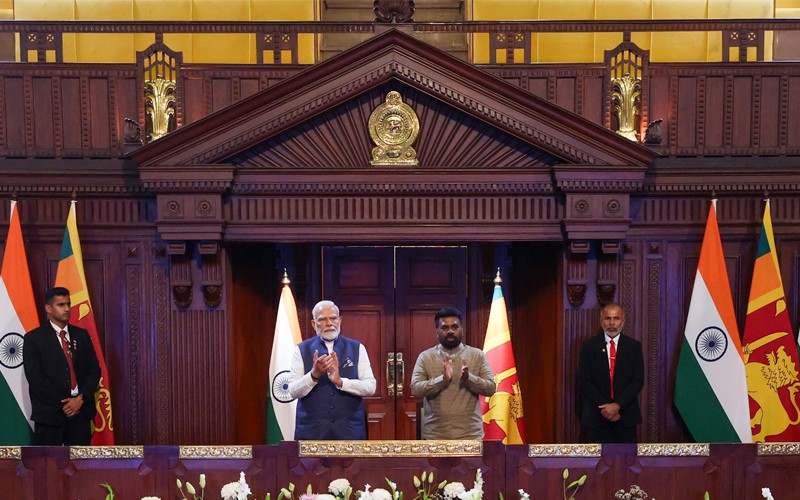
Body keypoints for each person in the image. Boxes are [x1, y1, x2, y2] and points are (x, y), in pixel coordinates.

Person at [23, 287, 101, 445]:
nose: (66, 309)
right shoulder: (34, 338)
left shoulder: (81, 335)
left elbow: (94, 371)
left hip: (80, 413)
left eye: (68, 304)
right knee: (48, 461)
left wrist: (80, 399)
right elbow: (35, 379)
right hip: (50, 416)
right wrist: (66, 404)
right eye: (61, 305)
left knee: (80, 461)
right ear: (48, 308)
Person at [288, 300, 376, 439]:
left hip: (349, 431)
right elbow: (292, 391)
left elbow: (370, 387)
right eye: (322, 319)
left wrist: (341, 382)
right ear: (314, 324)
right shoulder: (301, 349)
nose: (329, 323)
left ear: (339, 320)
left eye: (333, 318)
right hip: (312, 432)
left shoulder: (357, 347)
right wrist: (313, 375)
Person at [411, 307, 496, 439]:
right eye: (445, 328)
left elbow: (491, 388)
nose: (450, 331)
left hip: (470, 436)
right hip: (435, 436)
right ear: (437, 331)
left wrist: (468, 378)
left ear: (462, 329)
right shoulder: (425, 357)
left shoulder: (477, 355)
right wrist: (443, 379)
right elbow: (415, 389)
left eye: (455, 327)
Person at [577, 302, 644, 443]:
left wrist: (618, 405)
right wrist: (606, 407)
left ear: (623, 321)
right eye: (608, 318)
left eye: (616, 318)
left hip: (625, 417)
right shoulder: (589, 346)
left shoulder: (634, 347)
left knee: (626, 457)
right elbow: (584, 381)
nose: (612, 323)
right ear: (601, 321)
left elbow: (637, 381)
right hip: (596, 417)